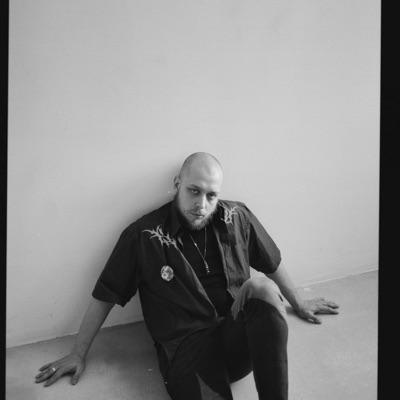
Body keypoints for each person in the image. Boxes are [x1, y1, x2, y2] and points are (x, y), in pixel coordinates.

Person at [35, 152, 339, 399]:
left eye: (211, 195)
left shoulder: (237, 216)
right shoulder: (143, 235)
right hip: (186, 350)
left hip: (235, 337)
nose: (201, 205)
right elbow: (107, 293)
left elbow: (270, 261)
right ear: (178, 183)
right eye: (194, 191)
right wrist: (78, 353)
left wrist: (298, 303)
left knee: (262, 287)